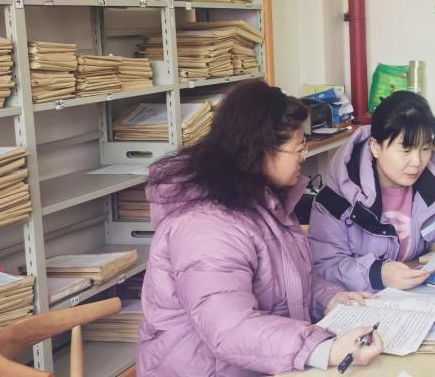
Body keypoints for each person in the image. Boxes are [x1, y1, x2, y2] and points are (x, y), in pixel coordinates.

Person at [137, 81, 383, 376]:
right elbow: (231, 329)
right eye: (298, 148)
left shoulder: (261, 202)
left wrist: (330, 299)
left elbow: (286, 283)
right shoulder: (206, 227)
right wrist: (323, 349)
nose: (303, 156)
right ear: (261, 151)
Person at [309, 91, 435, 292]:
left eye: (425, 148)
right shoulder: (335, 199)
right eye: (406, 150)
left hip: (414, 296)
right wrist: (378, 273)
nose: (417, 162)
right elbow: (324, 265)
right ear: (376, 147)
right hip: (361, 302)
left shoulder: (432, 183)